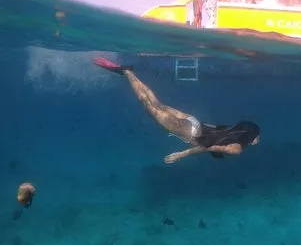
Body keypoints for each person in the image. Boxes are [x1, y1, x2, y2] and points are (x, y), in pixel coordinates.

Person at [92, 56, 261, 164]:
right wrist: (180, 155)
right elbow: (207, 148)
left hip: (193, 122)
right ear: (251, 137)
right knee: (148, 105)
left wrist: (252, 136)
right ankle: (127, 72)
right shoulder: (236, 149)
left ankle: (129, 72)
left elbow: (217, 129)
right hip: (188, 132)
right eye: (256, 138)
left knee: (157, 104)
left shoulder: (231, 132)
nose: (257, 141)